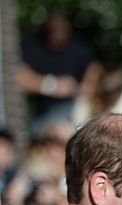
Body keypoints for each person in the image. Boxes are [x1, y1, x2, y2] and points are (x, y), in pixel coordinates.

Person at [18, 10, 101, 139]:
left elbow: (94, 67)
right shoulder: (34, 46)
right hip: (43, 114)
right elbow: (21, 77)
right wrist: (51, 85)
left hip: (73, 109)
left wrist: (86, 88)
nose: (59, 37)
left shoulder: (77, 46)